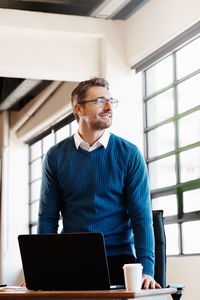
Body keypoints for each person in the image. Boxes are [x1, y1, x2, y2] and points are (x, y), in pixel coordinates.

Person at [37, 77, 161, 289]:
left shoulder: (129, 154)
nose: (108, 107)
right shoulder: (55, 156)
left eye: (111, 101)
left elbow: (141, 218)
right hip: (70, 261)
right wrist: (41, 269)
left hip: (119, 263)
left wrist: (147, 271)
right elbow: (47, 218)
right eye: (100, 101)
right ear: (79, 109)